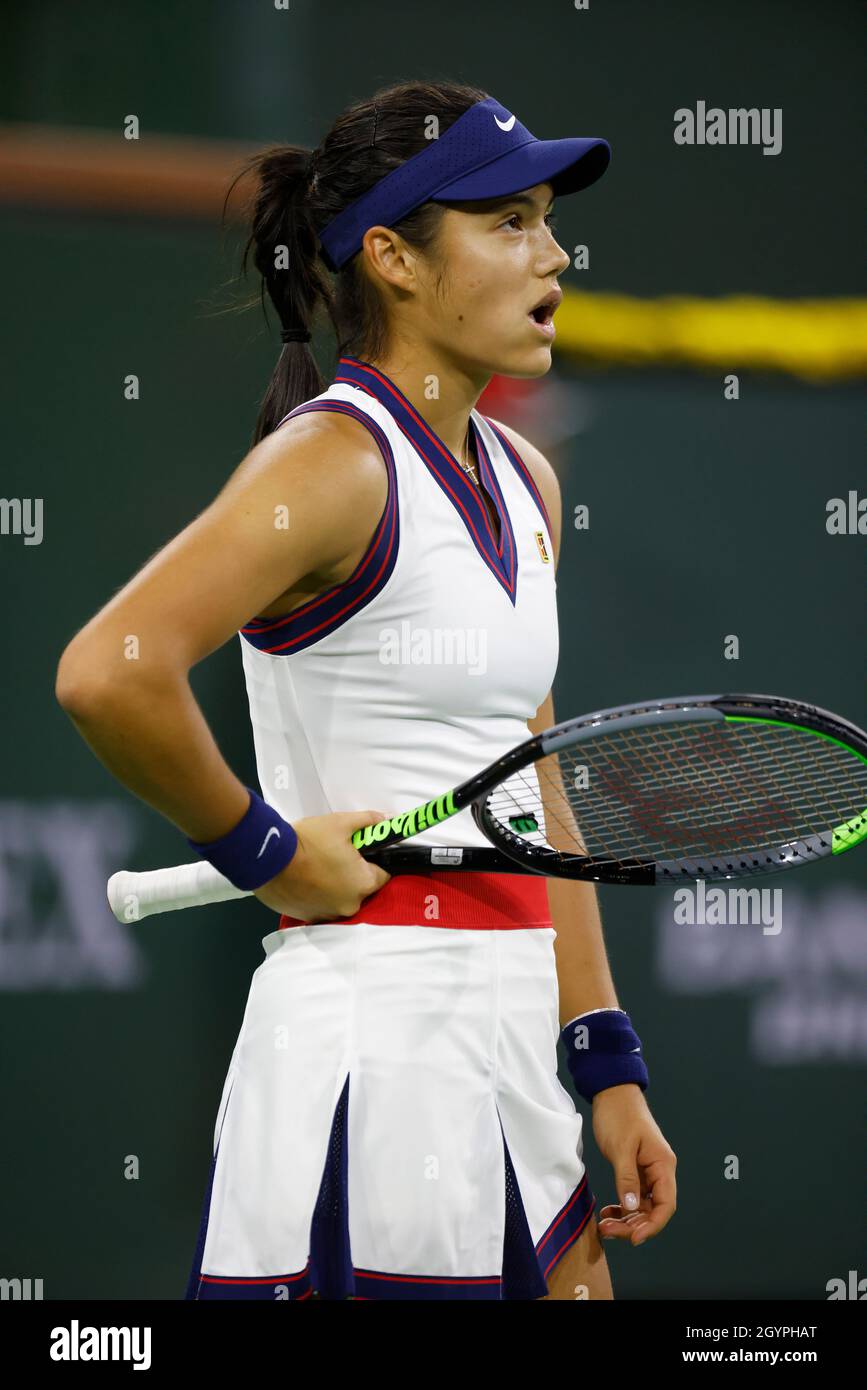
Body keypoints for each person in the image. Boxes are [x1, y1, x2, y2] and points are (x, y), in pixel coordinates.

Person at [55, 79, 676, 1301]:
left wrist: (605, 1062)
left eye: (548, 218)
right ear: (391, 256)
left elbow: (533, 779)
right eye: (508, 222)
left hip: (510, 1059)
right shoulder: (331, 464)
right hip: (365, 1065)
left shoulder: (528, 481)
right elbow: (109, 672)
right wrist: (264, 849)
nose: (554, 252)